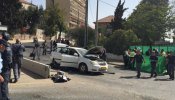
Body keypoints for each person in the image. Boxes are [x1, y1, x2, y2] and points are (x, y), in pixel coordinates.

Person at [0, 32, 12, 100]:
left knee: (4, 87)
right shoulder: (8, 46)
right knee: (4, 86)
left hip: (4, 70)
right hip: (6, 69)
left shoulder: (5, 48)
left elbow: (8, 61)